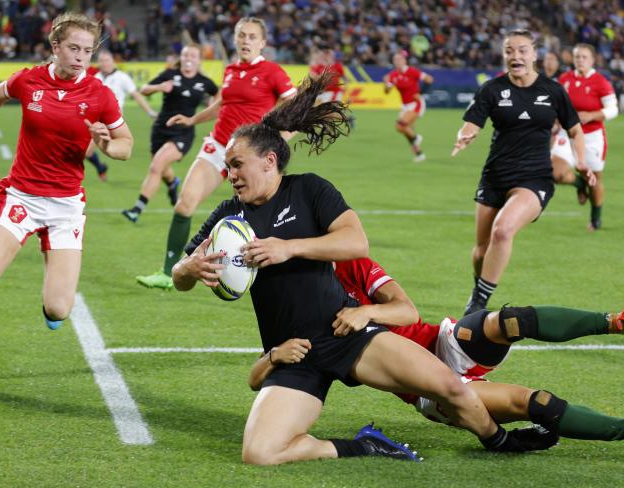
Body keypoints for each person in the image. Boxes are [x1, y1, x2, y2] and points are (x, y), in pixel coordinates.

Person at [172, 74, 544, 466]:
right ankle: (366, 445)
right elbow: (181, 275)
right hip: (293, 352)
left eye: (236, 165)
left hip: (345, 332)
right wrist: (189, 268)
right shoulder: (228, 215)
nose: (229, 175)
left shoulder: (309, 189)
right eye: (227, 166)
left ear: (269, 161)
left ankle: (500, 441)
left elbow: (356, 242)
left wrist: (289, 248)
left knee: (450, 387)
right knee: (259, 453)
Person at [249, 257, 624, 446]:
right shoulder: (296, 306)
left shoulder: (350, 262)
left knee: (510, 320)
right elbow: (256, 379)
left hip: (443, 343)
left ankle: (615, 321)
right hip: (429, 391)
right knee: (541, 404)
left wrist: (367, 312)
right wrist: (272, 357)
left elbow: (406, 311)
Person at [0, 12, 133, 330]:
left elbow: (126, 143)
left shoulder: (100, 95)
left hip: (66, 206)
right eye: (74, 48)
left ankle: (52, 303)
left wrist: (108, 146)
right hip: (21, 197)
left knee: (59, 309)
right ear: (55, 46)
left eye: (87, 51)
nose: (81, 57)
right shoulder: (27, 80)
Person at [135, 17, 296, 290]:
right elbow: (223, 103)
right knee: (184, 204)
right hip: (219, 143)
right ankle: (167, 272)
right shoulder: (231, 70)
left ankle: (275, 276)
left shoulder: (272, 71)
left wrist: (280, 138)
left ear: (263, 43)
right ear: (235, 39)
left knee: (261, 218)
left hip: (250, 154)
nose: (246, 41)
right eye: (242, 35)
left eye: (252, 37)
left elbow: (294, 104)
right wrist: (191, 121)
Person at [452, 28, 594, 315]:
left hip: (535, 177)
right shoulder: (491, 89)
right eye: (509, 51)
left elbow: (576, 130)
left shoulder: (553, 91)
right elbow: (471, 124)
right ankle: (479, 290)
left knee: (502, 232)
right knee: (481, 250)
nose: (515, 55)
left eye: (522, 50)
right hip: (495, 175)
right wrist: (465, 135)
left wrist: (581, 161)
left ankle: (476, 305)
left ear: (534, 54)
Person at [121, 44, 218, 223]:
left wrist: (212, 105)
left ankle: (136, 209)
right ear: (181, 58)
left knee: (156, 166)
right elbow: (144, 90)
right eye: (186, 55)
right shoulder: (170, 75)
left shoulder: (205, 82)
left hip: (182, 133)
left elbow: (219, 96)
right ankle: (173, 183)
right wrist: (159, 87)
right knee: (162, 168)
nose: (189, 58)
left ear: (198, 60)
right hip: (160, 129)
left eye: (193, 56)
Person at [551, 43, 617, 231]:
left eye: (584, 57)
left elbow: (613, 109)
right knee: (554, 173)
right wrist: (555, 122)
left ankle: (596, 218)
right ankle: (580, 183)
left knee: (595, 180)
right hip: (567, 133)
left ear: (592, 60)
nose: (580, 60)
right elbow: (556, 105)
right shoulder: (564, 79)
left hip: (592, 137)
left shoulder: (600, 81)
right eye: (577, 56)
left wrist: (591, 115)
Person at [85, 49, 157, 181]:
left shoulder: (122, 77)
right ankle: (101, 168)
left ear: (112, 61)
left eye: (107, 60)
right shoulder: (96, 78)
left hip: (112, 121)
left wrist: (150, 112)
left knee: (87, 150)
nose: (104, 63)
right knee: (86, 151)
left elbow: (136, 95)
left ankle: (83, 175)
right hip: (95, 120)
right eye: (101, 61)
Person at [383, 50, 433, 163]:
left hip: (416, 103)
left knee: (400, 125)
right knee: (406, 130)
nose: (397, 62)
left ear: (404, 60)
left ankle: (416, 138)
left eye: (399, 59)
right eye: (395, 60)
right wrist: (386, 84)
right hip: (405, 106)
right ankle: (420, 154)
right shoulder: (393, 75)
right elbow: (387, 91)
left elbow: (429, 79)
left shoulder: (412, 71)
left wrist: (420, 93)